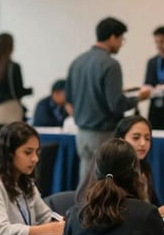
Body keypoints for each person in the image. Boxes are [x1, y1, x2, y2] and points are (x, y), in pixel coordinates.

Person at [65, 16, 152, 183]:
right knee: (105, 183)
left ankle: (83, 210)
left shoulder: (77, 62)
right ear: (112, 37)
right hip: (103, 133)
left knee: (86, 182)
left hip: (82, 133)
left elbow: (69, 101)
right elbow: (116, 104)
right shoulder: (111, 64)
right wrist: (138, 98)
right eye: (121, 39)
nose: (121, 44)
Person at [114, 115, 164, 217]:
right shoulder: (115, 170)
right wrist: (157, 213)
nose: (143, 143)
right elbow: (121, 212)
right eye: (136, 138)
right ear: (121, 140)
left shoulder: (144, 168)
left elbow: (153, 203)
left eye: (147, 138)